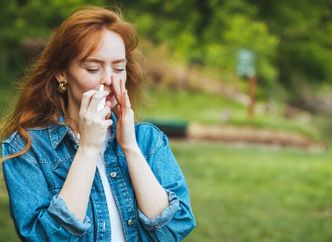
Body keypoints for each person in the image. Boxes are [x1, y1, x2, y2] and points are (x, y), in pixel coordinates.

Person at [1, 6, 196, 242]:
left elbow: (174, 229)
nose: (108, 79)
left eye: (119, 67)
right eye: (93, 68)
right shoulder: (26, 147)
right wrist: (88, 149)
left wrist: (131, 148)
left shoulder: (148, 141)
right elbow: (44, 238)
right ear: (62, 73)